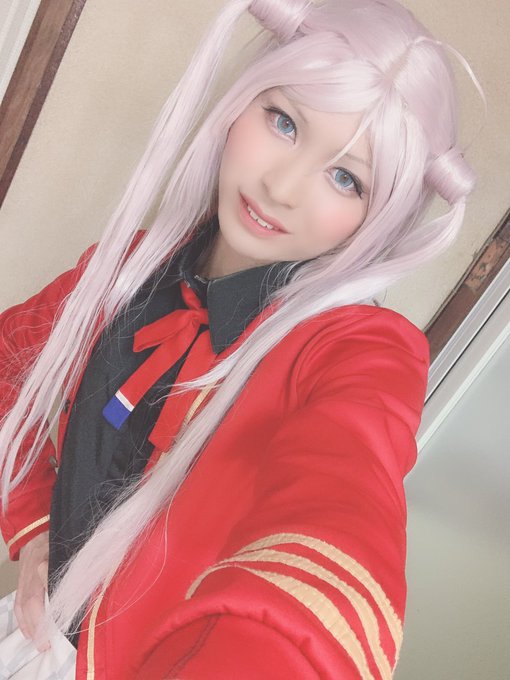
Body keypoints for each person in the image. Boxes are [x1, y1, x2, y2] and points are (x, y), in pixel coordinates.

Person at [0, 0, 482, 677]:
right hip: (30, 631)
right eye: (284, 121)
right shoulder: (126, 266)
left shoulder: (360, 352)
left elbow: (343, 508)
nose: (280, 187)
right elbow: (10, 362)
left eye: (346, 177)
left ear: (379, 219)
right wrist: (32, 528)